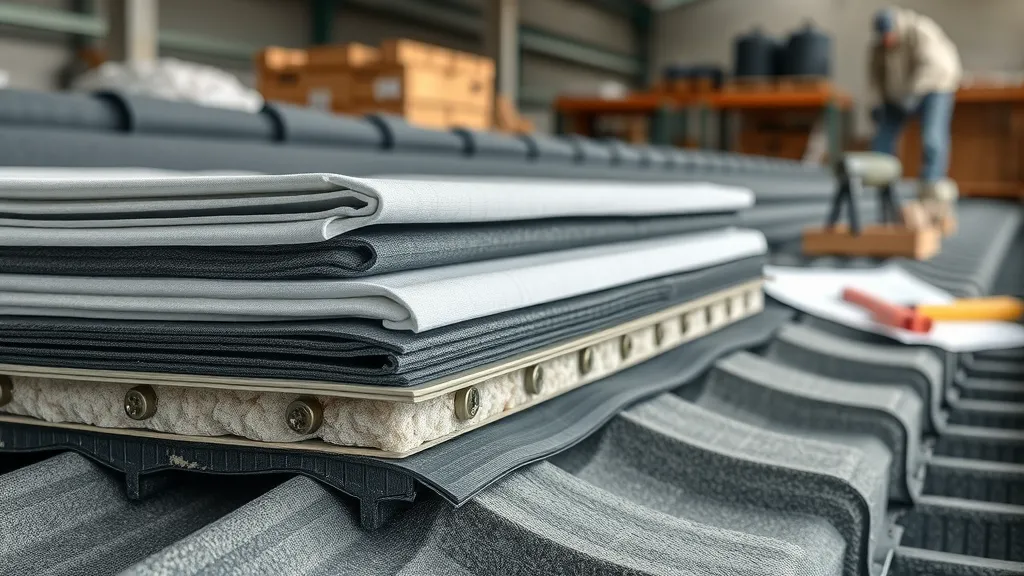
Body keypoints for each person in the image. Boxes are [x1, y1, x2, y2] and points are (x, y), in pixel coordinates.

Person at [869, 7, 961, 187]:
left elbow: (935, 66)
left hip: (935, 87)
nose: (887, 41)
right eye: (883, 37)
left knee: (932, 137)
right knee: (883, 136)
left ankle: (931, 182)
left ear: (895, 28)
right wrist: (877, 102)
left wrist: (914, 93)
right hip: (899, 94)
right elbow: (876, 77)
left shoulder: (920, 31)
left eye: (889, 35)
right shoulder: (879, 47)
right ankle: (879, 180)